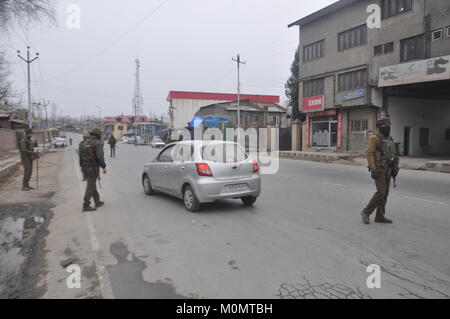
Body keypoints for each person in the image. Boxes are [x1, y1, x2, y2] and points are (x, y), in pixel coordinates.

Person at [361, 117, 399, 224]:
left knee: (385, 194)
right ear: (379, 127)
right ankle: (366, 212)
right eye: (383, 125)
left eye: (388, 124)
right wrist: (373, 168)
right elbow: (369, 153)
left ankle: (380, 216)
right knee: (380, 193)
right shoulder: (374, 138)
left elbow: (394, 154)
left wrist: (396, 166)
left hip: (388, 169)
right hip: (379, 169)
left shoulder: (390, 138)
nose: (386, 127)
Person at [79, 128, 107, 212]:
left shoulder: (84, 142)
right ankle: (86, 204)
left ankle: (97, 201)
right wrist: (104, 166)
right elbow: (100, 157)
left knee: (92, 184)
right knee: (91, 185)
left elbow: (80, 156)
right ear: (98, 135)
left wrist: (82, 167)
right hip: (92, 167)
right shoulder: (97, 143)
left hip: (85, 167)